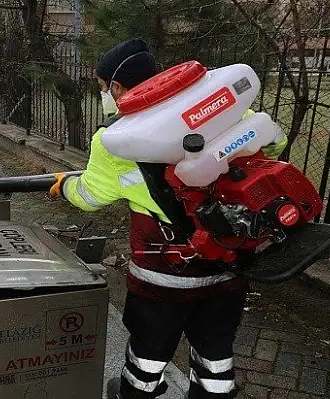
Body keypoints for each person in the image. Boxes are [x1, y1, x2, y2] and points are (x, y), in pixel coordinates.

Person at [49, 39, 287, 398]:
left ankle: (136, 393)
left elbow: (90, 197)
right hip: (227, 264)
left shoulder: (115, 141)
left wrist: (62, 185)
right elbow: (275, 144)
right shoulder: (226, 111)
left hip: (161, 277)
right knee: (216, 349)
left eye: (102, 88)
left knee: (149, 350)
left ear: (115, 87)